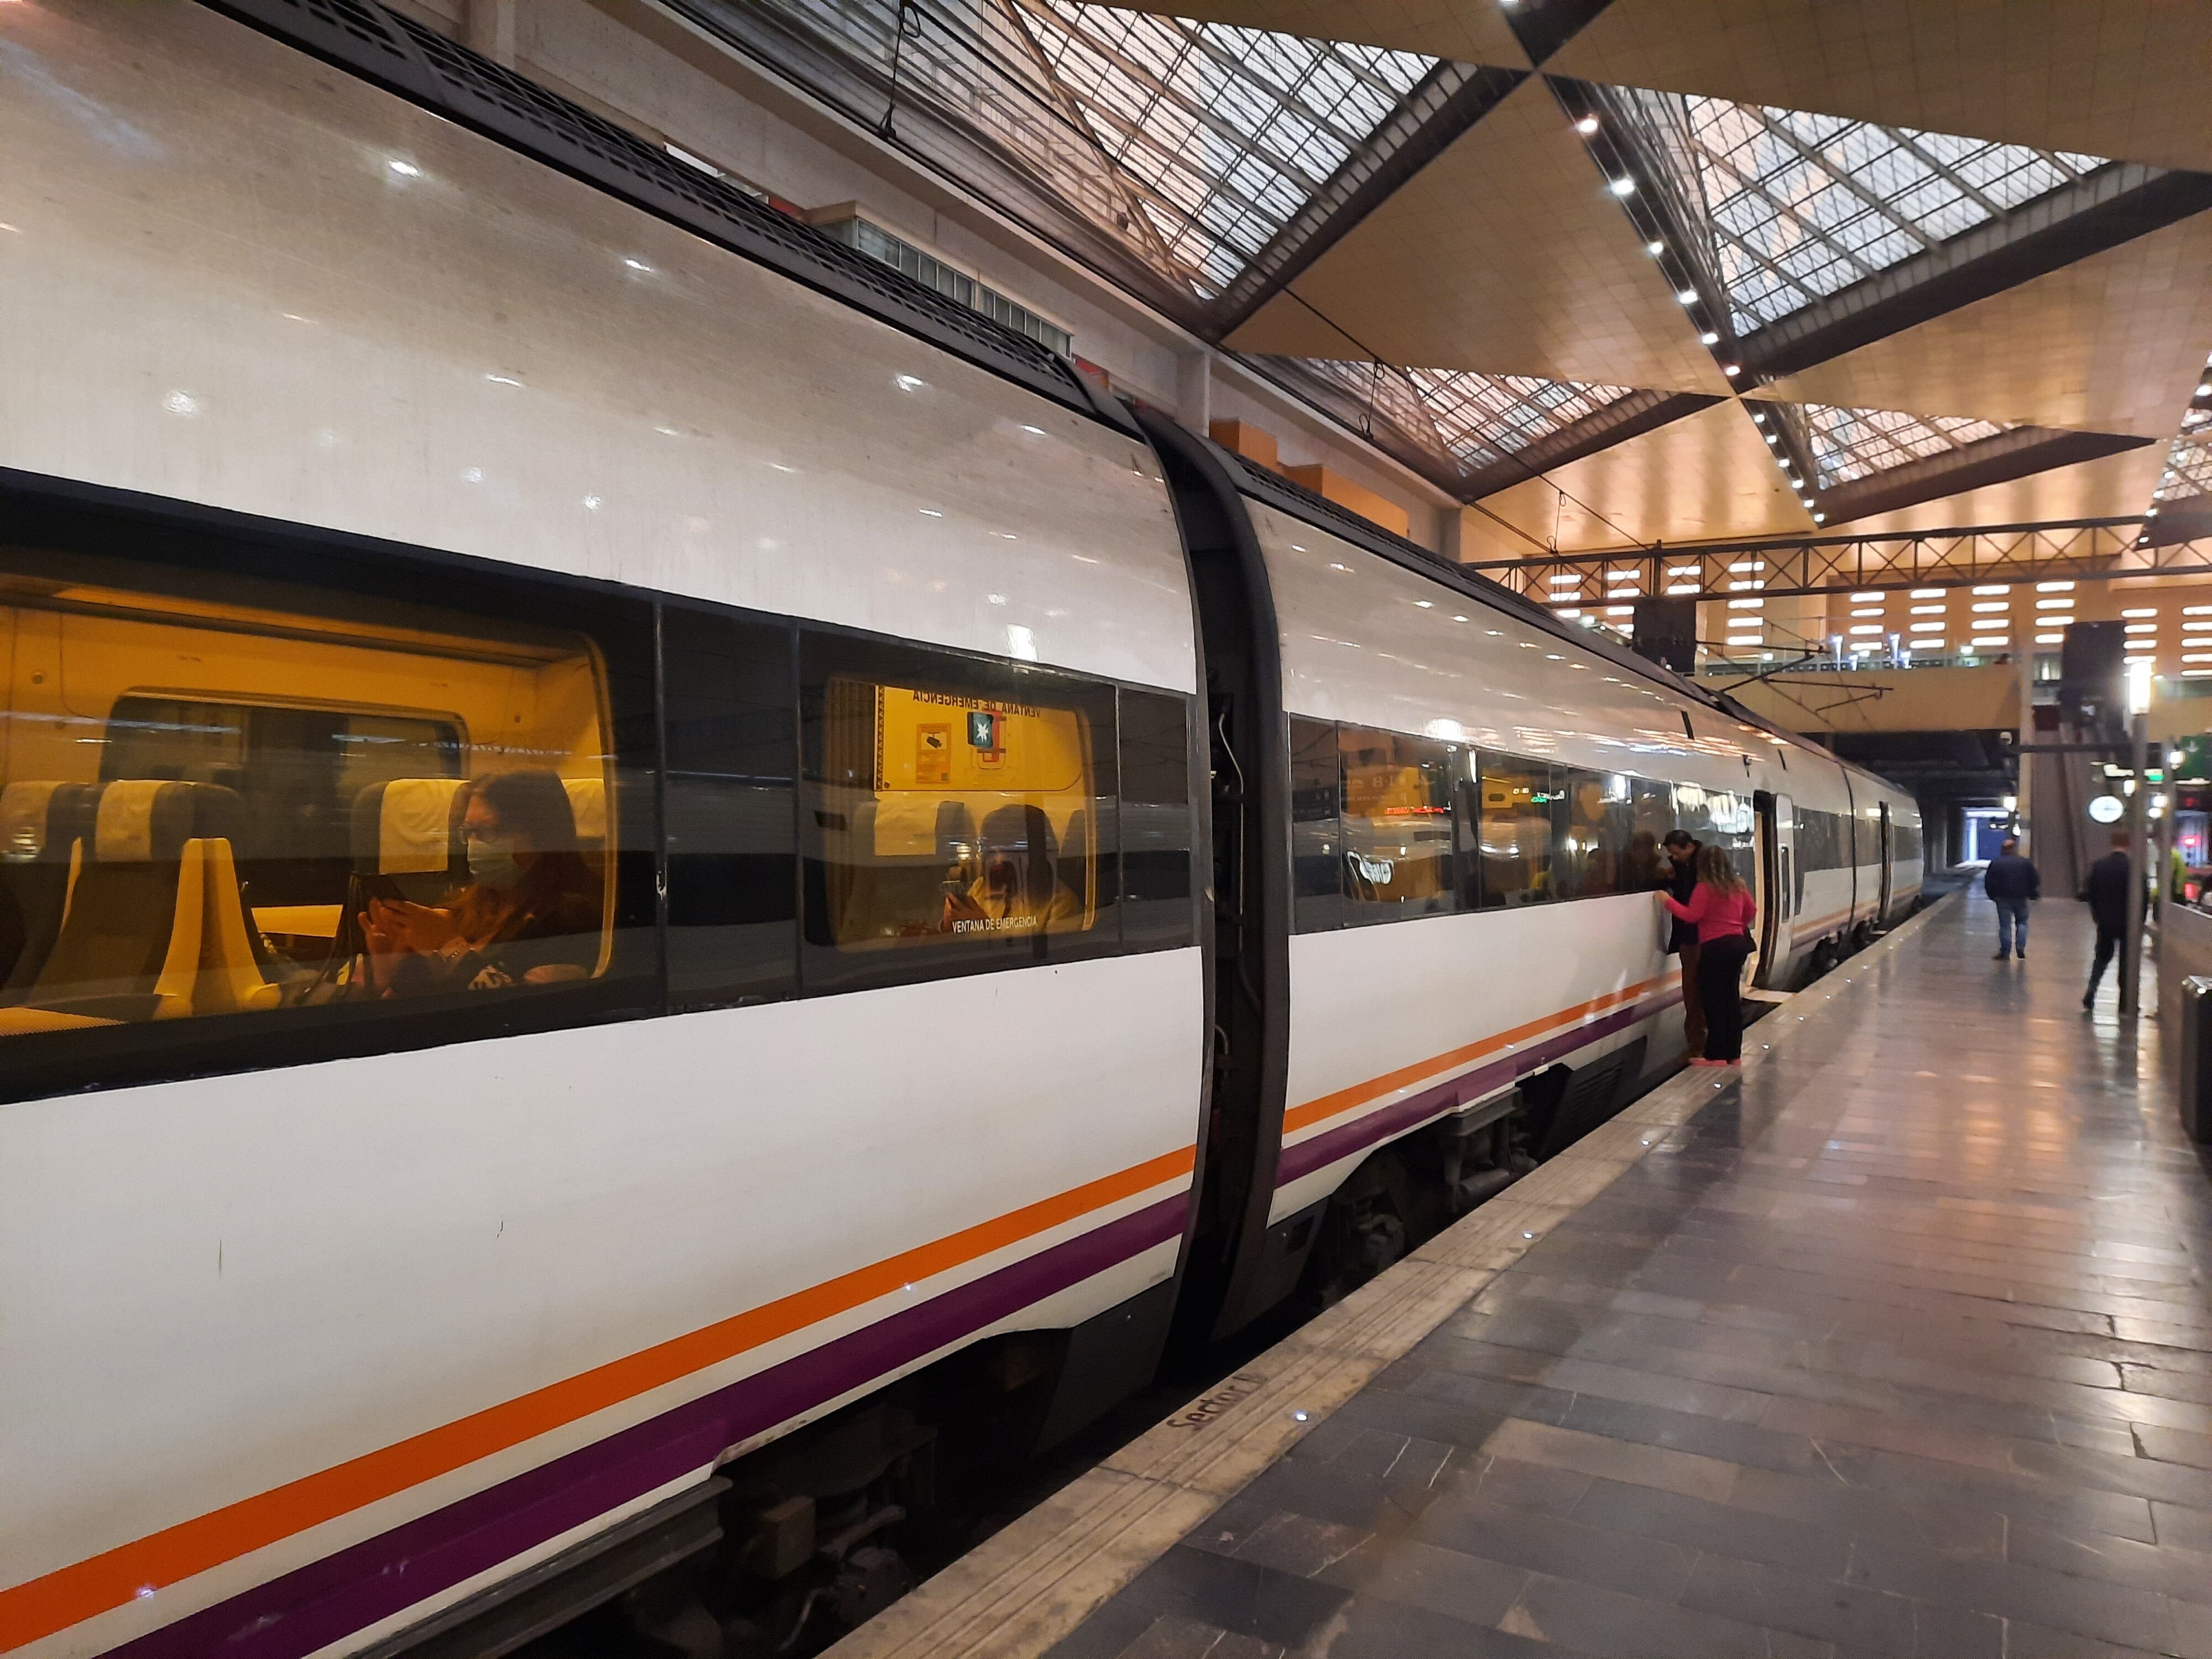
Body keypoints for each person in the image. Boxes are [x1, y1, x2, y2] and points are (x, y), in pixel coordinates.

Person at [354, 769, 604, 996]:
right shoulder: (469, 907)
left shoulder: (573, 918)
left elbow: (517, 1012)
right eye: (469, 832)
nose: (474, 844)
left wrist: (449, 946)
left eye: (487, 832)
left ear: (541, 837)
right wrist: (388, 970)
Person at [1660, 843, 1756, 1066]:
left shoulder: (1704, 888)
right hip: (1737, 945)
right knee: (1731, 999)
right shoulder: (1738, 886)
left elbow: (1692, 916)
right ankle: (1734, 1055)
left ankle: (1715, 1055)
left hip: (1715, 947)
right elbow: (1752, 911)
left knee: (1713, 1001)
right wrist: (1736, 926)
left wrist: (1667, 902)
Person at [942, 804, 1081, 936]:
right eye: (992, 849)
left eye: (1006, 849)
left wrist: (983, 928)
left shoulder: (1061, 903)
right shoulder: (981, 887)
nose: (998, 859)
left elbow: (1045, 958)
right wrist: (948, 926)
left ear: (1033, 853)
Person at [1661, 830, 1705, 1055]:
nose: (1674, 859)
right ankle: (1701, 1044)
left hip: (1695, 938)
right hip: (1695, 938)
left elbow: (1691, 912)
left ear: (1690, 847)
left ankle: (1698, 1047)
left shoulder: (1701, 870)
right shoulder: (1692, 866)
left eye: (1676, 854)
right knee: (1697, 992)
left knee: (1694, 992)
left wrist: (1667, 901)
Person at [2080, 828, 2134, 1010]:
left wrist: (2097, 916)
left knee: (2101, 958)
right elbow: (2142, 896)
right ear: (2128, 845)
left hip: (2105, 922)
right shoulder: (2133, 868)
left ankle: (2091, 991)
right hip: (2128, 923)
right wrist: (2139, 922)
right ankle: (2125, 1000)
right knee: (2127, 962)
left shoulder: (2099, 866)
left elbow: (2090, 893)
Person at [1983, 836, 2039, 961]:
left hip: (2002, 898)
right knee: (2022, 923)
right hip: (2021, 898)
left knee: (2005, 926)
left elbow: (1989, 881)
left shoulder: (1997, 863)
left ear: (2003, 849)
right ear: (2014, 849)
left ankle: (2005, 952)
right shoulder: (2025, 863)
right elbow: (2035, 879)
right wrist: (2030, 892)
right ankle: (2020, 947)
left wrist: (1992, 895)